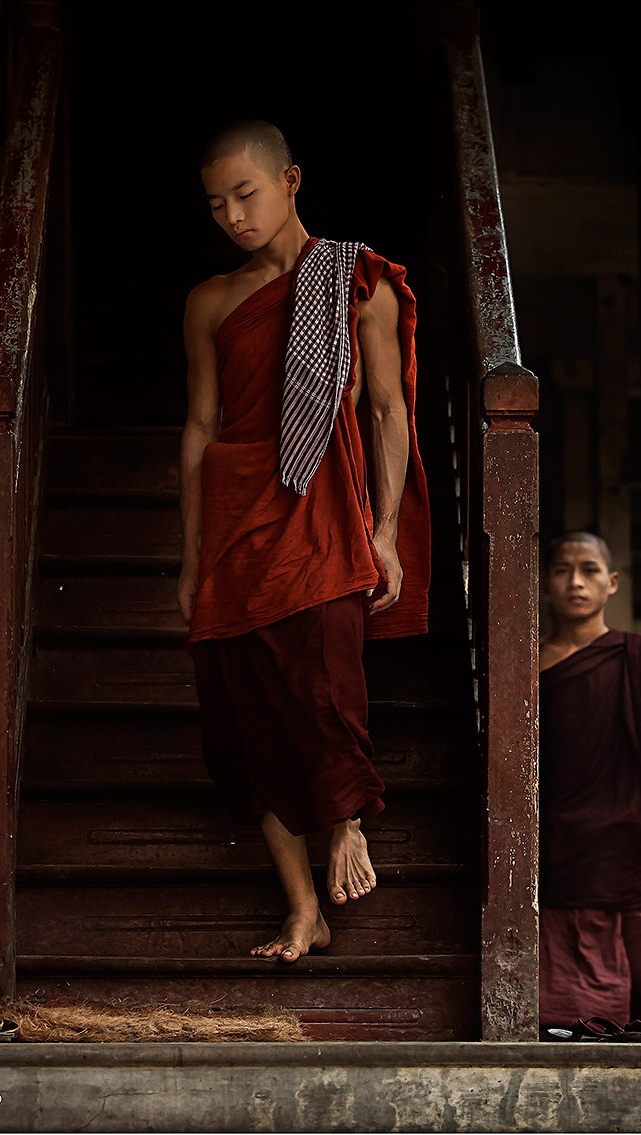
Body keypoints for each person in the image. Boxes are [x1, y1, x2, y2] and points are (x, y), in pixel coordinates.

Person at [177, 119, 431, 962]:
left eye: (245, 195)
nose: (233, 216)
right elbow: (200, 427)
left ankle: (345, 818)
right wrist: (189, 556)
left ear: (289, 180)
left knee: (324, 679)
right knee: (247, 715)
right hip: (235, 518)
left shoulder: (356, 281)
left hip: (324, 511)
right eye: (216, 204)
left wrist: (387, 534)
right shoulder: (212, 300)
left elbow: (389, 410)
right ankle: (301, 911)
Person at [539, 530, 641, 1031]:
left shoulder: (640, 659)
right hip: (556, 845)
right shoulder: (525, 665)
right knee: (563, 1003)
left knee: (639, 988)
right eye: (562, 570)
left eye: (590, 570)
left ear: (612, 582)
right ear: (545, 585)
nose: (576, 582)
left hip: (628, 846)